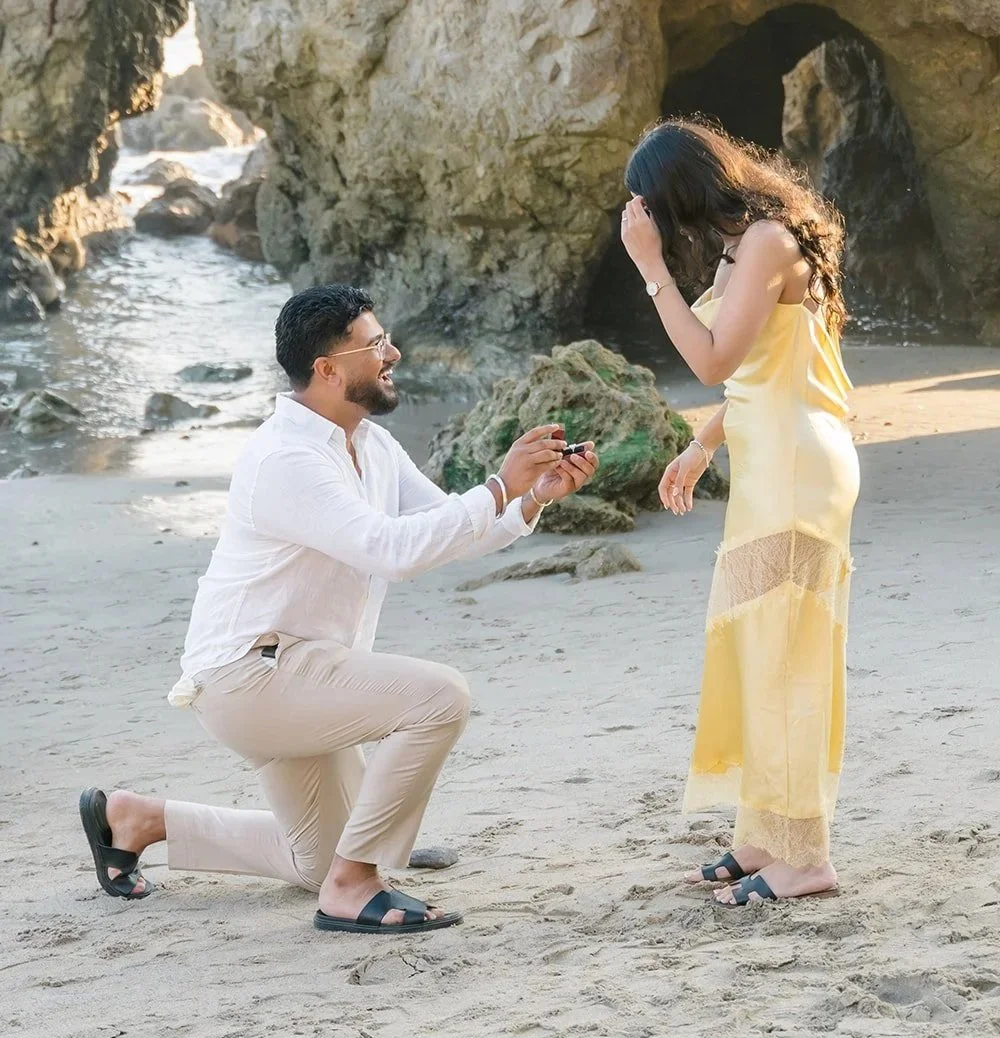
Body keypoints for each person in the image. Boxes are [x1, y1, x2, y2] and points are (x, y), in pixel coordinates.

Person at [80, 284, 597, 934]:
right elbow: (391, 551)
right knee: (441, 698)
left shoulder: (369, 443)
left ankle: (139, 819)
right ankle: (359, 878)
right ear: (327, 369)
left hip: (300, 671)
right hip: (251, 677)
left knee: (314, 859)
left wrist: (529, 499)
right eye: (376, 344)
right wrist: (497, 484)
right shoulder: (287, 458)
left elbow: (442, 524)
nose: (394, 352)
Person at [620, 118, 859, 907]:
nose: (653, 221)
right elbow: (764, 366)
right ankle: (766, 839)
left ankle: (806, 858)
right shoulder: (750, 241)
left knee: (784, 658)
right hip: (774, 459)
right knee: (762, 653)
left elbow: (715, 356)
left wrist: (651, 271)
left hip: (795, 467)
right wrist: (700, 448)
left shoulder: (764, 242)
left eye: (652, 207)